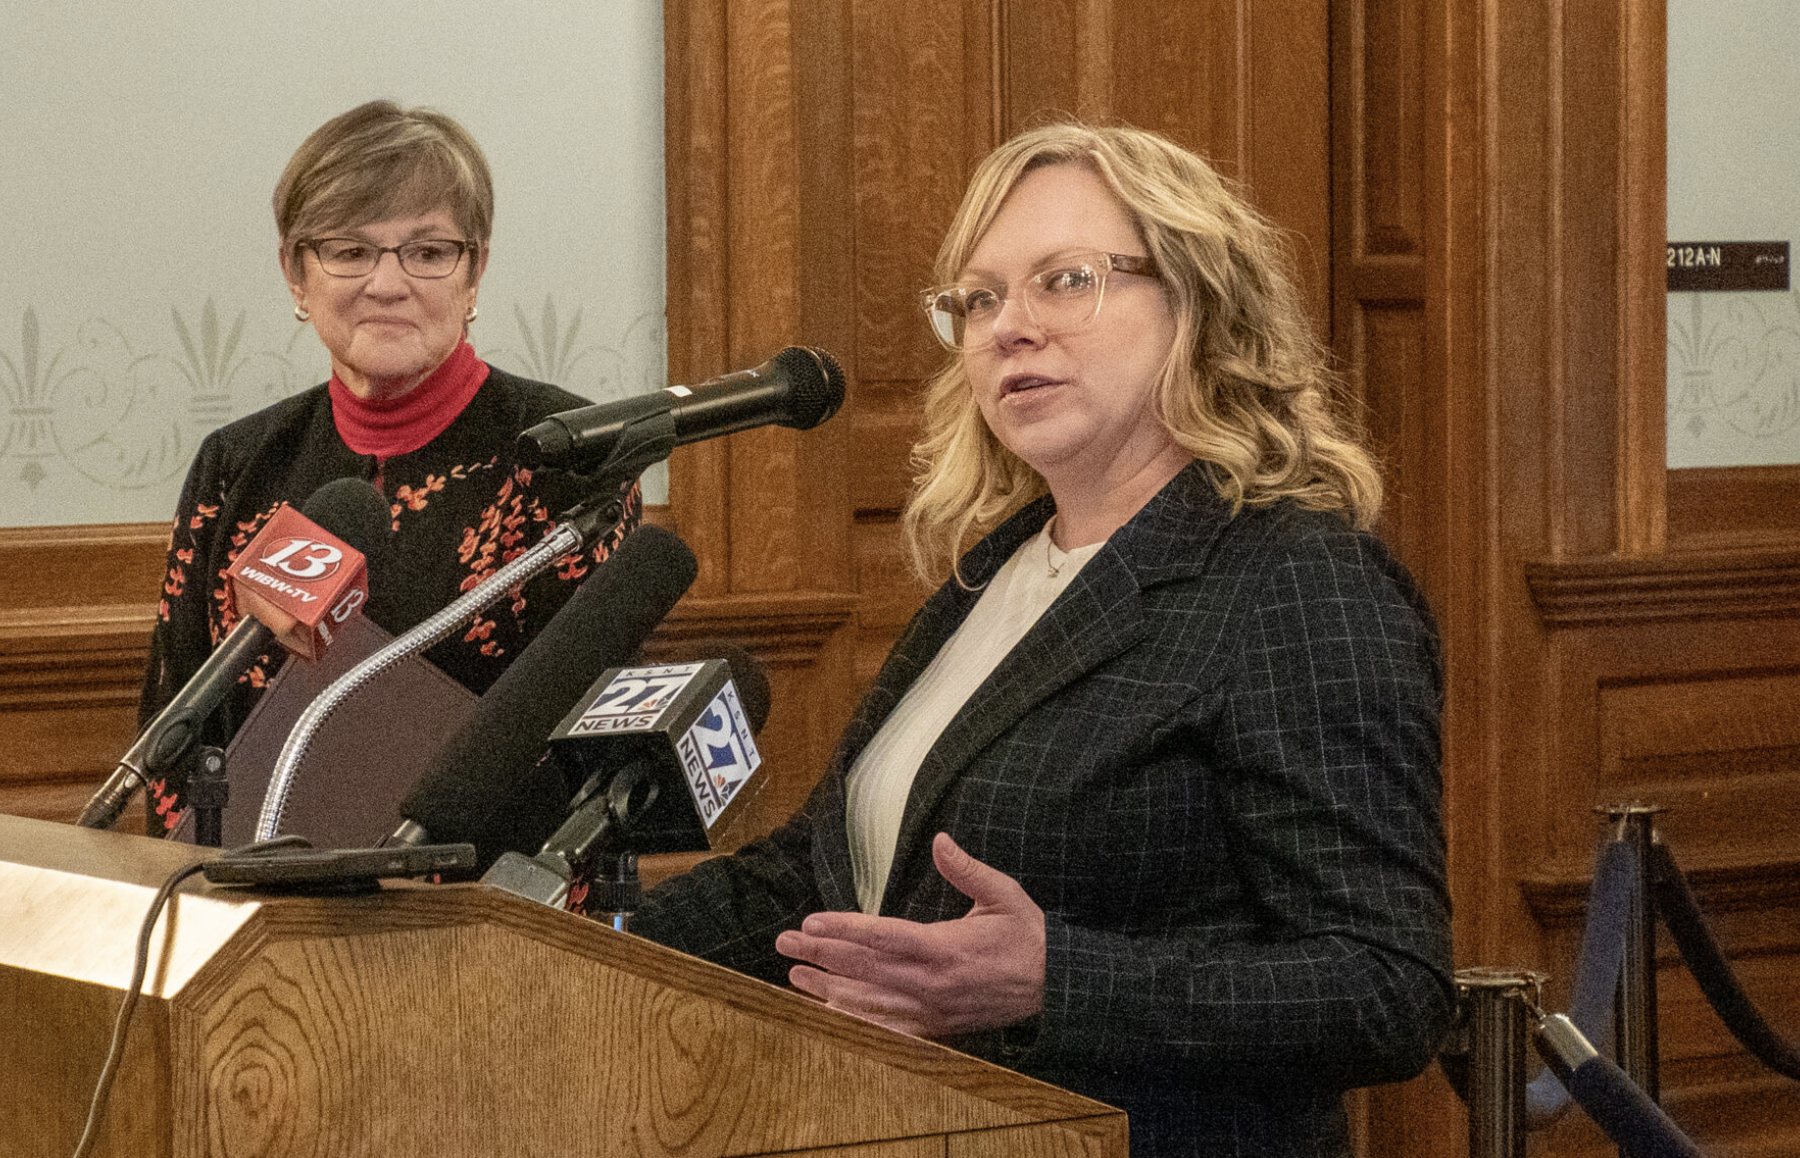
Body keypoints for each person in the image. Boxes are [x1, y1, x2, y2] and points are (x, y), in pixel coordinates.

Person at [632, 122, 1452, 1158]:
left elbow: (1387, 987)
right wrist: (573, 937)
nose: (1009, 328)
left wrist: (1053, 980)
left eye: (1066, 281)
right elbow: (819, 879)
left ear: (1197, 302)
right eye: (978, 300)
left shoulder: (1294, 580)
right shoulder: (999, 570)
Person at [138, 101, 638, 832]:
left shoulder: (570, 453)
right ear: (296, 275)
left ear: (474, 273)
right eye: (350, 251)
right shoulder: (236, 463)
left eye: (428, 252)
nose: (387, 283)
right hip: (250, 881)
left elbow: (575, 749)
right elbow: (175, 733)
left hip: (471, 886)